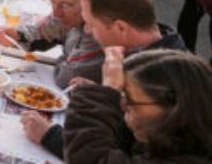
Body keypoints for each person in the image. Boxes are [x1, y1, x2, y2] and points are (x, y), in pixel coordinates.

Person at [20, 0, 187, 159]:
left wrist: (52, 137)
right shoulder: (154, 52)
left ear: (121, 28)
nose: (88, 32)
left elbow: (123, 152)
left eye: (91, 24)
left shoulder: (161, 82)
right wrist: (102, 95)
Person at [64, 48, 212, 163]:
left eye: (129, 100)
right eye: (121, 96)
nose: (122, 105)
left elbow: (91, 157)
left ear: (174, 111)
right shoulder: (169, 140)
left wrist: (102, 96)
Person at [0, 0, 103, 89]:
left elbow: (66, 79)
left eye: (65, 5)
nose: (56, 13)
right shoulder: (72, 15)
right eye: (53, 2)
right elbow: (43, 32)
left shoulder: (99, 32)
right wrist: (18, 35)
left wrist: (61, 60)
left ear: (88, 2)